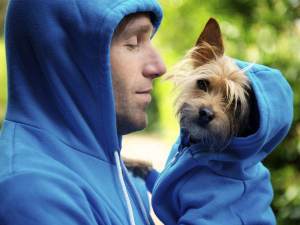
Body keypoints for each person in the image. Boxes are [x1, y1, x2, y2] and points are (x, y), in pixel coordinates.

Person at [0, 0, 165, 224]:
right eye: (133, 43)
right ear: (65, 55)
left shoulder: (119, 171)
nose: (158, 67)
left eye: (150, 40)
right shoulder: (34, 192)